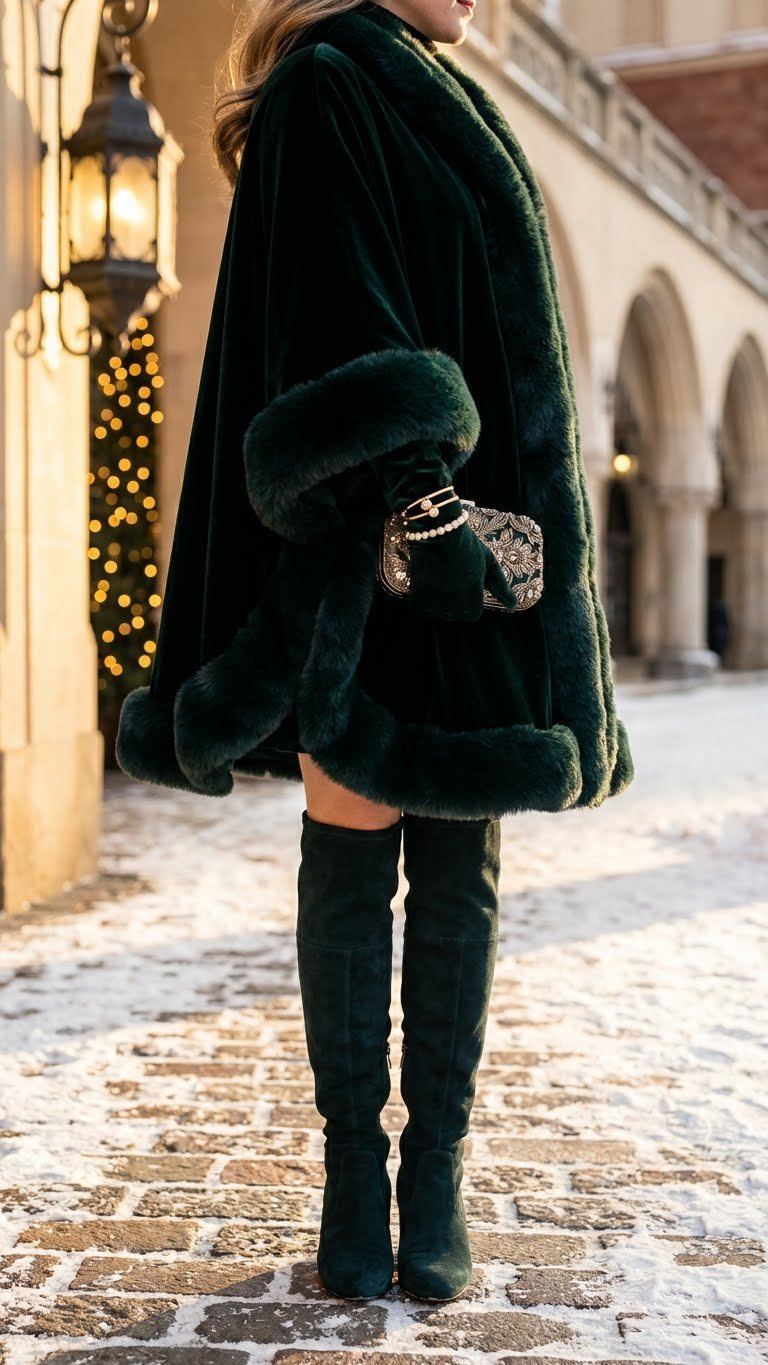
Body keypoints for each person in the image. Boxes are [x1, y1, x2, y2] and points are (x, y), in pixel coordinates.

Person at [116, 0, 633, 1303]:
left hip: (472, 560)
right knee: (356, 855)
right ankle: (355, 1172)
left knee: (460, 869)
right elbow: (337, 321)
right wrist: (428, 505)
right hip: (376, 557)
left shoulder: (422, 84)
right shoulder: (330, 80)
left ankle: (435, 1174)